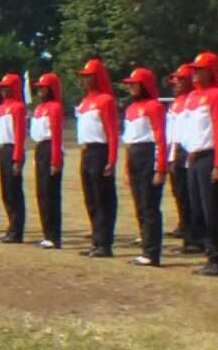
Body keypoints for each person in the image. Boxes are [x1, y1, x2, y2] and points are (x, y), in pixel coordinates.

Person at [180, 51, 218, 276]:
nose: (195, 74)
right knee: (198, 209)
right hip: (193, 158)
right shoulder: (191, 97)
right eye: (194, 70)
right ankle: (208, 254)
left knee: (213, 210)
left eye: (199, 70)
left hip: (210, 157)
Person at [120, 67, 168, 267]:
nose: (131, 87)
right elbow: (128, 141)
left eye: (135, 83)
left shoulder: (154, 106)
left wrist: (160, 168)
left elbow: (160, 138)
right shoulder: (130, 109)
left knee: (149, 206)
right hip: (134, 156)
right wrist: (125, 167)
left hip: (148, 156)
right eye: (129, 84)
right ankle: (145, 246)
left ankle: (152, 252)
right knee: (139, 204)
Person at [74, 59, 119, 258]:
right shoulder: (84, 102)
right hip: (86, 152)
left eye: (89, 76)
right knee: (90, 198)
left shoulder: (105, 100)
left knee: (103, 199)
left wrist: (111, 159)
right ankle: (96, 239)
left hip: (100, 151)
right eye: (84, 77)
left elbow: (111, 131)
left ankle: (105, 243)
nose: (85, 80)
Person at [29, 72, 65, 249]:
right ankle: (46, 233)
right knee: (41, 193)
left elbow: (57, 135)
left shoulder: (55, 107)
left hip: (50, 147)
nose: (40, 91)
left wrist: (56, 160)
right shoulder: (39, 108)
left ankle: (54, 235)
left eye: (43, 87)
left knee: (51, 194)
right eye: (39, 88)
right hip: (40, 148)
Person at [0, 72, 29, 244]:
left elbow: (19, 134)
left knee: (14, 192)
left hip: (12, 149)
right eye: (2, 88)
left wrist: (17, 158)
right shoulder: (1, 108)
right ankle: (11, 227)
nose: (3, 91)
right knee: (6, 191)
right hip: (3, 150)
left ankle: (17, 231)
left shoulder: (18, 107)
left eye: (6, 88)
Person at [165, 63, 197, 249]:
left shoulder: (190, 102)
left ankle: (193, 234)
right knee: (178, 193)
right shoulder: (176, 103)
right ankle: (184, 225)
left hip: (186, 150)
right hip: (174, 151)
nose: (176, 83)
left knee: (189, 194)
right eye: (175, 80)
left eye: (180, 80)